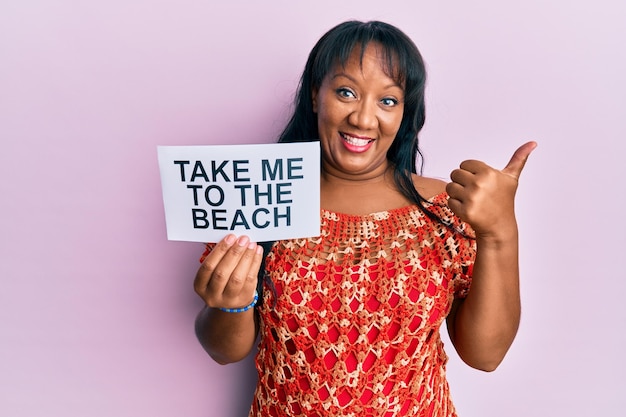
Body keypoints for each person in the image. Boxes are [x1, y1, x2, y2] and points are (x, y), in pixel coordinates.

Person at [193, 20, 536, 417]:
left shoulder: (444, 210)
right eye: (345, 92)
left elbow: (485, 355)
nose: (362, 118)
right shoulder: (263, 198)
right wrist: (228, 306)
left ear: (405, 112)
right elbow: (223, 350)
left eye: (387, 101)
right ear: (314, 95)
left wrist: (499, 233)